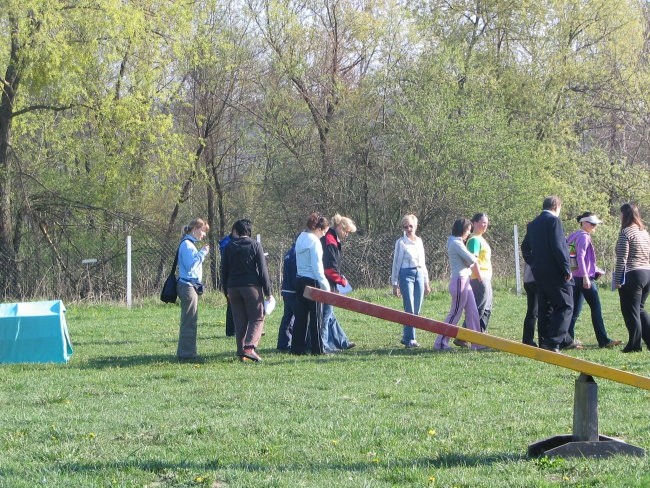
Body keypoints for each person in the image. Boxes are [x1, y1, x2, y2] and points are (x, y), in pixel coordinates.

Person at [521, 196, 577, 353]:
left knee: (546, 308)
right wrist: (566, 269)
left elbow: (525, 247)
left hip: (539, 272)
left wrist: (534, 262)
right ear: (557, 207)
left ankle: (544, 342)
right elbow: (558, 246)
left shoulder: (533, 224)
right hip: (555, 271)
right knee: (566, 305)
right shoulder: (554, 221)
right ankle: (553, 342)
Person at [566, 212, 621, 348]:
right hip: (584, 279)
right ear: (584, 223)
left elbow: (572, 257)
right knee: (596, 308)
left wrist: (593, 269)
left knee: (574, 311)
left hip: (574, 277)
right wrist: (586, 276)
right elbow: (580, 257)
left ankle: (567, 340)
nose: (594, 226)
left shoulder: (573, 235)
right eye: (592, 223)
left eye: (595, 224)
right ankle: (604, 341)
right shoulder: (584, 237)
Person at [222, 219, 273, 362]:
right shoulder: (255, 245)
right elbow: (263, 271)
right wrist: (268, 292)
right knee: (257, 317)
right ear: (248, 232)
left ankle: (240, 351)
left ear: (236, 231)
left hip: (232, 287)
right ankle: (249, 348)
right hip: (251, 287)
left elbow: (223, 270)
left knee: (240, 320)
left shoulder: (229, 247)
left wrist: (225, 290)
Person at [433, 218, 487, 351]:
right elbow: (471, 259)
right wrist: (473, 258)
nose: (469, 233)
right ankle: (440, 343)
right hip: (459, 281)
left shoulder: (458, 243)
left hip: (465, 280)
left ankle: (477, 342)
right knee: (455, 313)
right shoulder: (456, 243)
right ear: (462, 230)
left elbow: (469, 261)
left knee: (473, 311)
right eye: (468, 230)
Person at [291, 212, 330, 355]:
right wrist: (326, 287)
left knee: (300, 317)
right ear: (318, 229)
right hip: (313, 281)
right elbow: (317, 267)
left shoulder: (301, 237)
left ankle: (297, 349)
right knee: (316, 318)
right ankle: (318, 349)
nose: (324, 235)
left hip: (300, 279)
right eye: (324, 232)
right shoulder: (315, 241)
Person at [613, 203, 650, 353]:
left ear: (625, 215)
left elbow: (622, 258)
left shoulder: (626, 232)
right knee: (639, 309)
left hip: (633, 274)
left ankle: (634, 345)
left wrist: (617, 279)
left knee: (630, 310)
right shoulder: (644, 232)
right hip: (647, 273)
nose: (620, 216)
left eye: (621, 214)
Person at [391, 214, 431, 348]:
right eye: (405, 227)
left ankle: (407, 336)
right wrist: (395, 284)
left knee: (417, 307)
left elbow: (423, 262)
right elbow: (396, 263)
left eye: (411, 226)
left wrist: (426, 281)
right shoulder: (401, 243)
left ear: (415, 226)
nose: (408, 229)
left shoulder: (419, 241)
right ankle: (410, 338)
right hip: (405, 273)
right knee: (409, 306)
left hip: (419, 273)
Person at [320, 214, 357, 352]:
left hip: (329, 283)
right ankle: (323, 345)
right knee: (326, 315)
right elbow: (329, 269)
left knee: (330, 315)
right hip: (327, 283)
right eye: (346, 231)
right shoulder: (330, 241)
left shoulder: (333, 239)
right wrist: (341, 280)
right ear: (340, 227)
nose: (347, 235)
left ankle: (342, 341)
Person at [176, 218, 210, 362]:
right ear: (195, 228)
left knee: (189, 320)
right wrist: (202, 253)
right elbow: (190, 265)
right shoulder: (187, 245)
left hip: (190, 286)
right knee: (189, 321)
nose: (203, 235)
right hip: (188, 287)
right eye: (203, 231)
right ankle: (187, 354)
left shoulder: (188, 244)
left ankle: (187, 351)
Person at [465, 213, 493, 332]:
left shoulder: (481, 238)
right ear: (475, 223)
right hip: (478, 278)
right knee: (479, 307)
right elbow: (473, 260)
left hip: (485, 278)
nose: (485, 225)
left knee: (487, 307)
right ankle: (463, 335)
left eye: (486, 223)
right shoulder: (474, 240)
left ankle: (481, 333)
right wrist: (480, 277)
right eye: (482, 222)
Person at [277, 242, 297, 352]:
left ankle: (283, 343)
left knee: (287, 318)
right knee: (298, 317)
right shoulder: (296, 253)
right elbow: (295, 273)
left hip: (286, 289)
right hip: (293, 290)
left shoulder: (289, 252)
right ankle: (298, 343)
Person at [219, 227, 235, 337]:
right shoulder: (226, 243)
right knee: (231, 304)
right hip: (229, 277)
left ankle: (233, 331)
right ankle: (230, 331)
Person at [521, 262, 538, 347]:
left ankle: (527, 339)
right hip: (534, 279)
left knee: (532, 311)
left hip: (527, 279)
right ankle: (527, 340)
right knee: (534, 312)